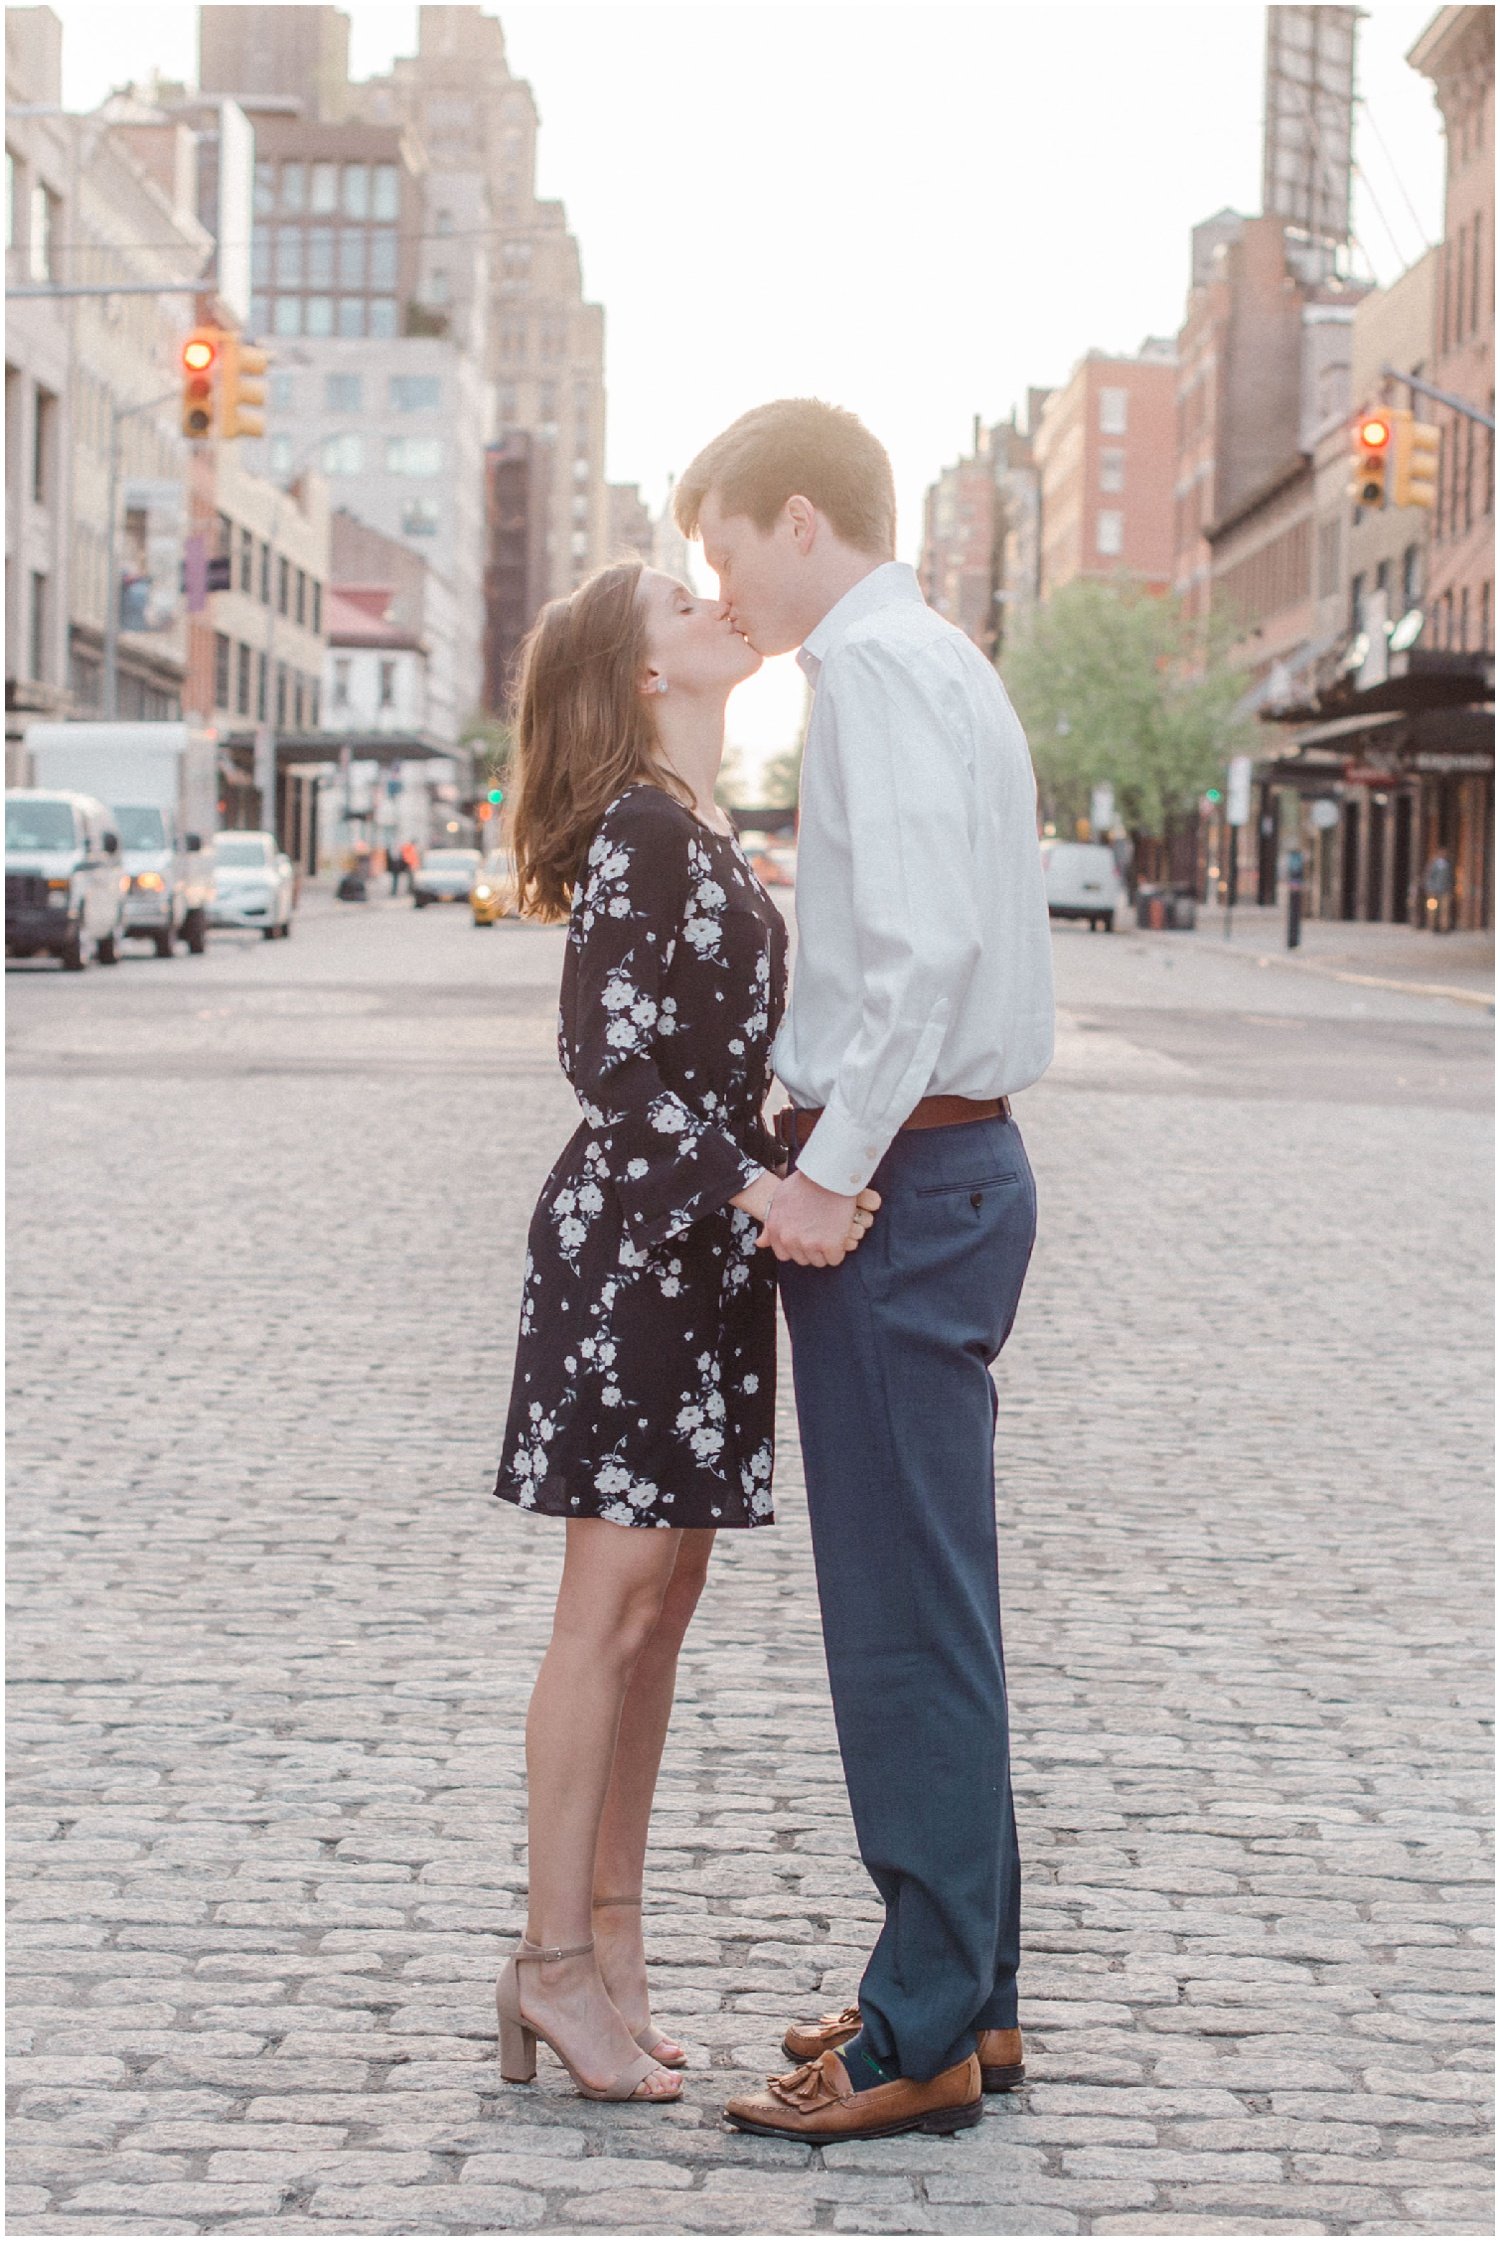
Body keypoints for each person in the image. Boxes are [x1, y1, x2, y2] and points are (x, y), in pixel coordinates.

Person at [673, 400, 1055, 2144]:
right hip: (951, 1164)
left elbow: (911, 959)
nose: (719, 589)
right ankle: (966, 1984)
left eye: (724, 548)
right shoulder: (931, 657)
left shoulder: (877, 672)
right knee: (936, 1598)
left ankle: (921, 2031)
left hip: (904, 1176)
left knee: (904, 1619)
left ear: (800, 518)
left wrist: (827, 1175)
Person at [491, 560, 878, 2105]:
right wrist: (762, 1185)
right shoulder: (647, 831)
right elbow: (606, 1059)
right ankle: (549, 1964)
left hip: (705, 1254)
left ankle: (613, 1951)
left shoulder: (703, 824)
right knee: (611, 1607)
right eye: (676, 598)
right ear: (643, 674)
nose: (716, 598)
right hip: (638, 1250)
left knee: (662, 1613)